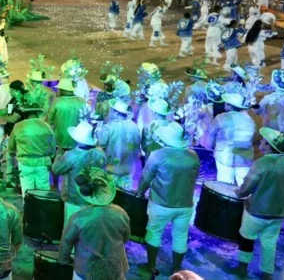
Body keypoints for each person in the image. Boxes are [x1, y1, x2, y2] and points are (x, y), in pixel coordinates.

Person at [235, 128, 284, 280]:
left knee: (246, 237)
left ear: (270, 146)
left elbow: (246, 189)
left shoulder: (261, 163)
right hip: (280, 212)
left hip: (257, 211)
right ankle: (267, 274)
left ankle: (242, 269)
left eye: (264, 142)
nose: (260, 143)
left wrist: (239, 193)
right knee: (270, 243)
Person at [138, 122, 201, 275]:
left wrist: (140, 192)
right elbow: (195, 177)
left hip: (161, 203)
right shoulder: (193, 156)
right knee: (180, 236)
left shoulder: (158, 155)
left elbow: (146, 178)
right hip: (185, 205)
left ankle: (151, 265)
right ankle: (176, 268)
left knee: (154, 232)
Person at [58, 167, 131, 280]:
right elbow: (125, 239)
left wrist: (64, 261)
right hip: (116, 269)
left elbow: (66, 243)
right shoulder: (121, 213)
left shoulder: (78, 218)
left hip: (86, 270)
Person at [52, 121, 107, 226]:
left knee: (71, 226)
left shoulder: (71, 155)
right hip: (92, 197)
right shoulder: (100, 154)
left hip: (74, 199)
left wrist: (59, 156)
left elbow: (56, 169)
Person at [4, 95, 55, 192]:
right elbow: (52, 149)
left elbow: (11, 148)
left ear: (25, 114)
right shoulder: (46, 126)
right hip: (42, 163)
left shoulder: (18, 126)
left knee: (27, 191)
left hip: (25, 163)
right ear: (38, 112)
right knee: (43, 192)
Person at [207, 92, 257, 186]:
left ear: (228, 106)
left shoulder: (221, 118)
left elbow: (209, 137)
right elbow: (253, 137)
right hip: (244, 159)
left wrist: (211, 147)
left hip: (225, 157)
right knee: (243, 184)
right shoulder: (250, 119)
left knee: (224, 185)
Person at [95, 96, 141, 190]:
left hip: (111, 172)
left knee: (109, 198)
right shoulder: (135, 127)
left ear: (115, 112)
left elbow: (99, 149)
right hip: (128, 172)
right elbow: (137, 148)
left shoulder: (108, 127)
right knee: (124, 199)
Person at [47, 79, 86, 151]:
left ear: (62, 90)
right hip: (77, 140)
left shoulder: (57, 102)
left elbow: (49, 121)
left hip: (59, 139)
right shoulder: (82, 101)